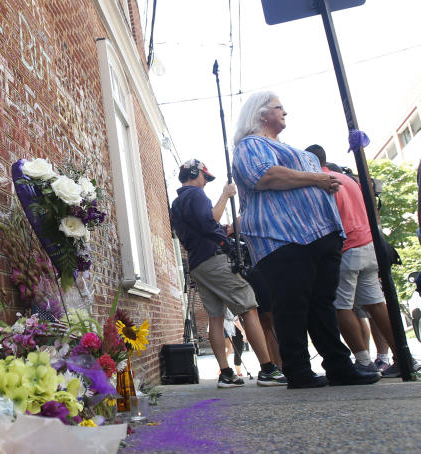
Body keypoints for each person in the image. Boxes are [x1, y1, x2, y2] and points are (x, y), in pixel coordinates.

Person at [231, 92, 380, 388]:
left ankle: (339, 366)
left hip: (318, 237)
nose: (285, 112)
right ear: (261, 114)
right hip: (281, 238)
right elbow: (265, 176)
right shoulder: (250, 145)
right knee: (292, 305)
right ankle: (298, 370)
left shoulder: (286, 148)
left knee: (321, 304)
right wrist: (317, 179)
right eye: (279, 107)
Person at [170, 158, 287, 388]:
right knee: (249, 308)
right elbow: (209, 220)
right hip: (213, 260)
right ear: (195, 173)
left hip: (197, 264)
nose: (206, 182)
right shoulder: (196, 195)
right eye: (205, 177)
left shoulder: (177, 203)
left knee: (216, 316)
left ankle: (226, 374)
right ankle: (268, 369)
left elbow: (198, 228)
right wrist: (225, 195)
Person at [303, 144, 403, 377]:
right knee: (376, 303)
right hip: (368, 244)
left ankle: (363, 361)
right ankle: (402, 357)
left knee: (341, 306)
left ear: (309, 162)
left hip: (346, 248)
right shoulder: (348, 179)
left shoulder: (321, 182)